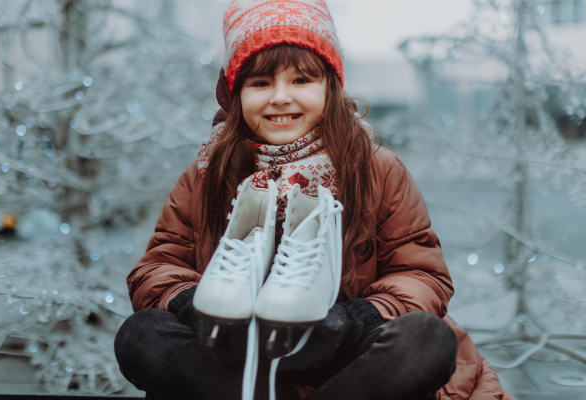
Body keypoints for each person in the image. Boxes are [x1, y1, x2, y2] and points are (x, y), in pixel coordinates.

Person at [114, 1, 516, 399]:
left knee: (428, 340)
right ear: (237, 95)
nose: (280, 97)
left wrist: (355, 319)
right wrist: (192, 306)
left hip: (343, 351)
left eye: (301, 81)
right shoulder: (206, 173)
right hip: (237, 356)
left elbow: (422, 275)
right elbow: (160, 266)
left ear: (330, 87)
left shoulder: (377, 168)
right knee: (142, 336)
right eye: (260, 83)